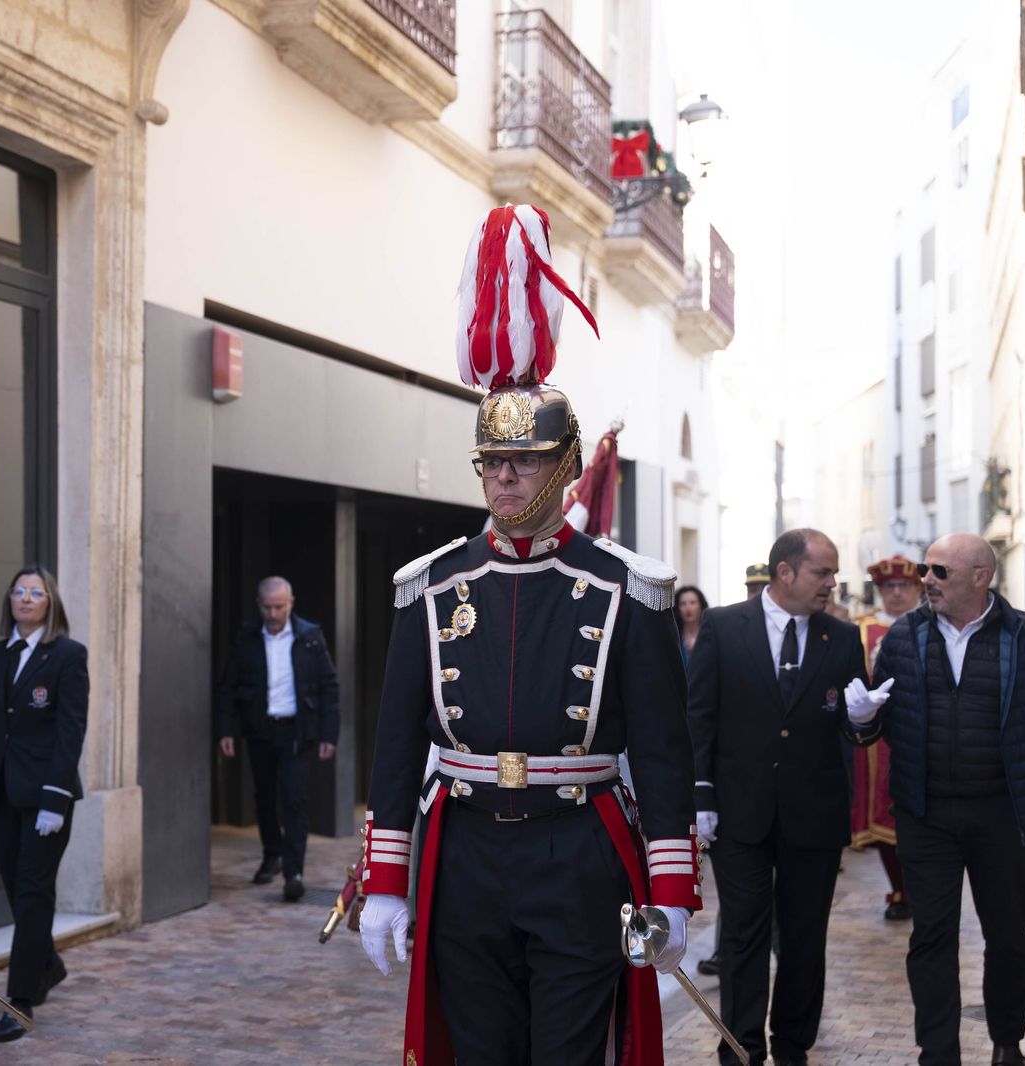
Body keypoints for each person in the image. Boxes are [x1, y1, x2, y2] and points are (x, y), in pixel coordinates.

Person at [357, 204, 700, 1065]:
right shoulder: (431, 587)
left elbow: (661, 752)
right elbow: (396, 747)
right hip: (465, 850)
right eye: (492, 463)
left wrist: (673, 893)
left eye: (525, 462)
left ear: (567, 465)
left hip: (579, 851)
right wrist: (387, 882)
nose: (505, 478)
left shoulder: (630, 589)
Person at [846, 534, 1025, 1066]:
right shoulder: (902, 639)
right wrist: (861, 721)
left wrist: (1017, 774)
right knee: (930, 937)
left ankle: (1006, 1042)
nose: (927, 579)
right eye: (927, 569)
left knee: (1008, 934)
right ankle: (938, 1050)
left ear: (980, 577)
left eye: (939, 571)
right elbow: (880, 718)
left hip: (1000, 814)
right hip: (926, 815)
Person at [686, 528, 870, 1066]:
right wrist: (701, 796)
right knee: (742, 934)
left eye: (833, 574)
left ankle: (793, 1044)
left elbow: (856, 718)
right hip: (740, 814)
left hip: (814, 813)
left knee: (805, 936)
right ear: (785, 572)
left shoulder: (842, 637)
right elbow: (698, 717)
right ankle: (741, 1045)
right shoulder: (723, 626)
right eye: (822, 573)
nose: (832, 584)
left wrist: (864, 720)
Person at [0, 565, 87, 1040]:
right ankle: (46, 963)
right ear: (9, 600)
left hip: (46, 797)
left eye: (36, 592)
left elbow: (70, 732)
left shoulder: (68, 656)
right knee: (16, 888)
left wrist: (56, 797)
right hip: (1, 794)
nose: (26, 599)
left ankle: (20, 999)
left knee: (33, 892)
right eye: (19, 591)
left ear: (50, 602)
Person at [215, 576, 340, 902]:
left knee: (294, 798)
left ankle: (293, 872)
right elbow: (228, 687)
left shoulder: (309, 637)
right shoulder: (247, 638)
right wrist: (226, 729)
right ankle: (272, 853)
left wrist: (329, 734)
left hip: (297, 731)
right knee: (265, 798)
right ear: (259, 605)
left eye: (279, 607)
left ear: (291, 603)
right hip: (259, 729)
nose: (273, 614)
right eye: (268, 607)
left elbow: (329, 686)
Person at [850, 555, 921, 921]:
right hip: (878, 739)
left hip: (922, 733)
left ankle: (919, 889)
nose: (896, 593)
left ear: (917, 590)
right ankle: (898, 889)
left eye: (904, 586)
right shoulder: (863, 630)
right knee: (881, 813)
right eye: (889, 587)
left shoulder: (931, 625)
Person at [676, 585, 709, 666]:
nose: (688, 608)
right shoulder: (674, 637)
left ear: (701, 606)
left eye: (693, 603)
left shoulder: (709, 634)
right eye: (683, 604)